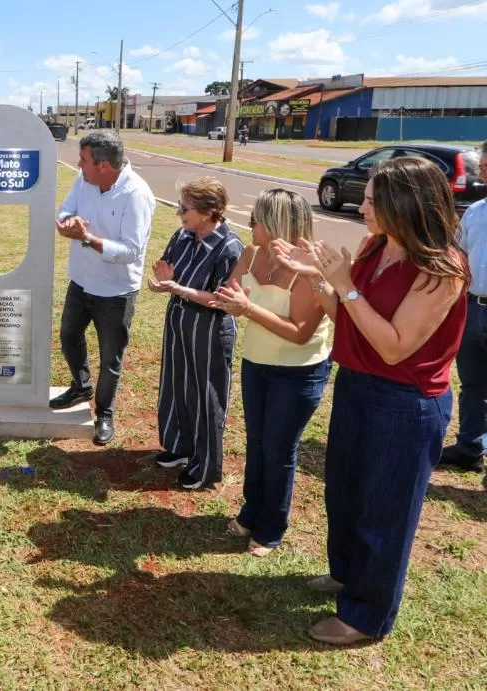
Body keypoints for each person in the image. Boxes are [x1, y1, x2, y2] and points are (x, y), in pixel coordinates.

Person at [273, 156, 467, 645]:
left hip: (406, 404)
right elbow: (348, 317)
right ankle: (348, 575)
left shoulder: (441, 269)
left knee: (387, 511)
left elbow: (395, 345)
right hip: (358, 386)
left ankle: (365, 615)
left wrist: (342, 285)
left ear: (407, 206)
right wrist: (317, 277)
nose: (361, 208)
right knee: (345, 493)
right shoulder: (375, 247)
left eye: (372, 201)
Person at [208, 189, 331, 556]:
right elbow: (233, 296)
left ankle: (272, 525)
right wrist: (224, 301)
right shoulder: (251, 252)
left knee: (279, 449)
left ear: (278, 224)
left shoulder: (310, 267)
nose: (249, 224)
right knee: (256, 441)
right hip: (256, 362)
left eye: (257, 219)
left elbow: (300, 332)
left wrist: (246, 309)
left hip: (297, 371)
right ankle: (252, 509)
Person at [50, 130, 156, 446]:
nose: (79, 165)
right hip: (81, 280)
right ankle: (81, 386)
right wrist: (68, 223)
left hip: (116, 291)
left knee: (110, 357)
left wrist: (87, 239)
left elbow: (130, 251)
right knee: (69, 335)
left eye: (84, 160)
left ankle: (105, 413)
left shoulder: (136, 194)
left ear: (104, 166)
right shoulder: (85, 181)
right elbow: (64, 211)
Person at [147, 177, 243, 489]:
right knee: (176, 385)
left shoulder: (230, 247)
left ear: (208, 211)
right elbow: (169, 271)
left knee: (206, 397)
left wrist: (178, 288)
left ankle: (204, 467)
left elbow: (222, 299)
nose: (179, 213)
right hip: (179, 321)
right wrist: (164, 279)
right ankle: (179, 446)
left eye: (184, 208)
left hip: (209, 329)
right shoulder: (183, 235)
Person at [439, 142, 487, 475]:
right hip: (474, 307)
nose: (481, 170)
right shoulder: (476, 211)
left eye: (486, 166)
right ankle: (471, 447)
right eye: (482, 165)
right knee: (473, 382)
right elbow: (459, 256)